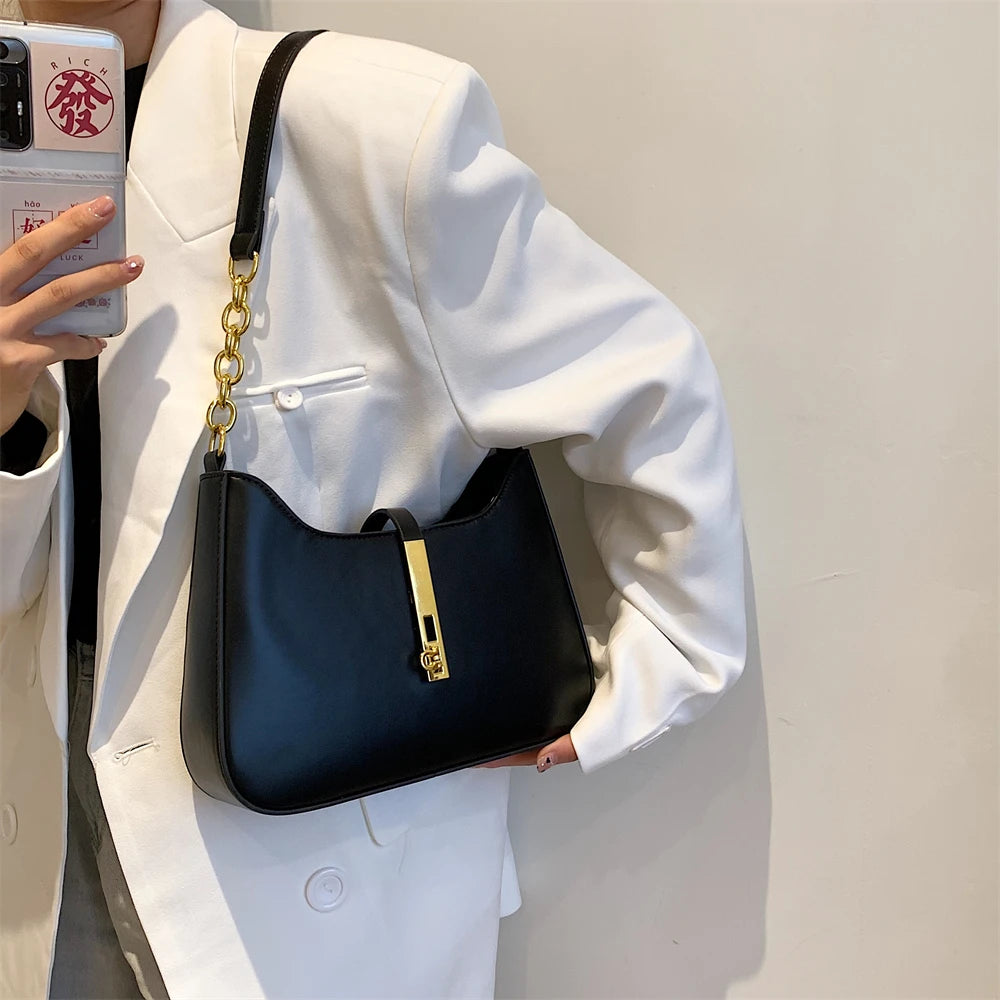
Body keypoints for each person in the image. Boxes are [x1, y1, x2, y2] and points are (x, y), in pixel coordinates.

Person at [0, 0, 751, 996]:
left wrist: (656, 669)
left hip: (313, 862)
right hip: (45, 824)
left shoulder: (366, 123)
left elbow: (646, 379)